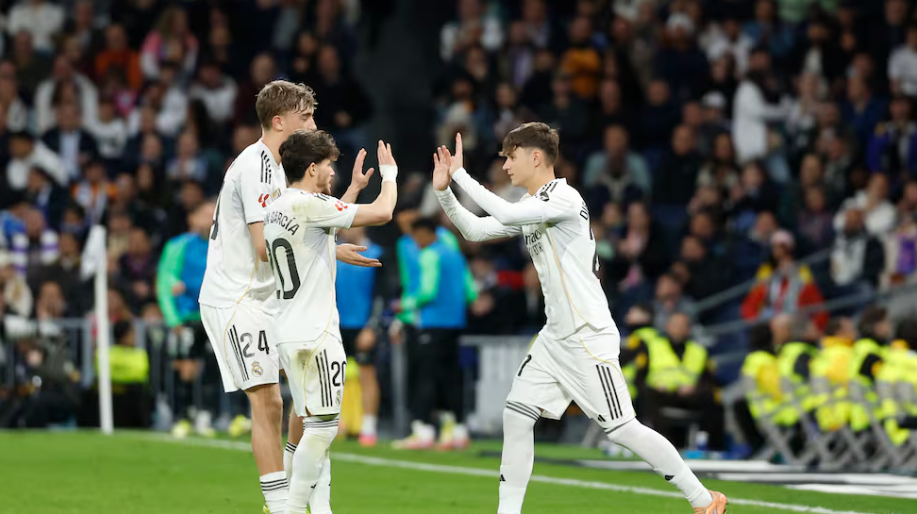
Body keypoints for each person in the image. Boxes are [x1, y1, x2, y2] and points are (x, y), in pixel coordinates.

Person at [430, 123, 727, 514]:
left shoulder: (563, 198)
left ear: (536, 157)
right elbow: (475, 230)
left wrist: (461, 175)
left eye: (511, 157)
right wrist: (444, 191)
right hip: (556, 337)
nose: (505, 166)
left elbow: (503, 210)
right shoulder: (534, 206)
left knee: (622, 428)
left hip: (587, 334)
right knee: (516, 416)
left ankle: (704, 500)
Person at [198, 81, 380, 514]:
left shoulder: (286, 169)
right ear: (279, 121)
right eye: (306, 117)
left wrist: (332, 246)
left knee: (305, 390)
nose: (313, 124)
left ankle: (298, 485)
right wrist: (328, 246)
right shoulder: (257, 167)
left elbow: (305, 227)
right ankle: (279, 504)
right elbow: (265, 246)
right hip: (237, 298)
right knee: (269, 400)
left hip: (269, 295)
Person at [264, 130, 398, 514]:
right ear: (311, 168)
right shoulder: (309, 204)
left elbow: (320, 230)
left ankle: (320, 509)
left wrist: (353, 191)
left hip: (287, 331)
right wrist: (389, 175)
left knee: (309, 423)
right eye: (327, 165)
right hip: (317, 332)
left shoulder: (278, 206)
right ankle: (289, 508)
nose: (332, 172)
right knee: (322, 429)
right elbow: (383, 212)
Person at [156, 200, 216, 438]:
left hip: (215, 316)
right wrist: (173, 320)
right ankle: (182, 415)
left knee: (213, 367)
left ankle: (206, 414)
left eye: (214, 213)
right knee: (185, 368)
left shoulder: (225, 245)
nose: (210, 218)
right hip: (187, 316)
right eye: (205, 213)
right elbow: (165, 282)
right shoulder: (178, 246)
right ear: (193, 218)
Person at [335, 225, 384, 446]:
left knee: (367, 375)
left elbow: (381, 295)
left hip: (363, 325)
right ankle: (338, 422)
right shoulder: (333, 252)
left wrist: (372, 327)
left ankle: (369, 426)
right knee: (333, 375)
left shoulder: (377, 254)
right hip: (336, 324)